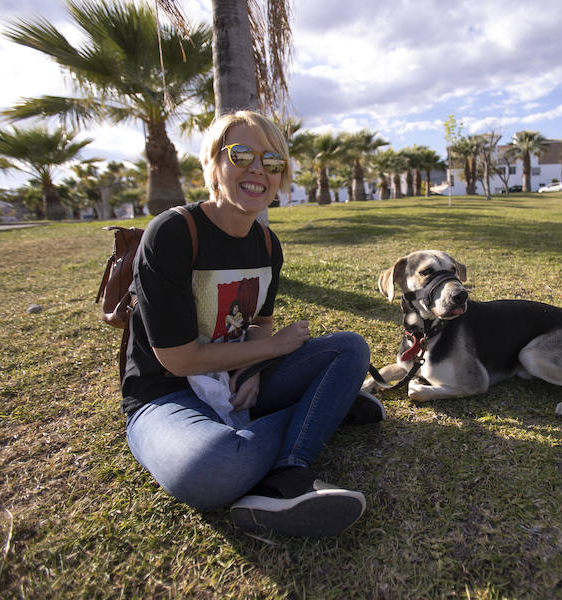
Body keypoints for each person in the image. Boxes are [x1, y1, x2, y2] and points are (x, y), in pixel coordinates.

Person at [121, 110, 384, 537]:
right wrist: (272, 349)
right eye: (241, 153)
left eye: (273, 161)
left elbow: (260, 323)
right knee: (210, 470)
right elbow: (179, 359)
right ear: (212, 164)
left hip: (236, 382)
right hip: (166, 395)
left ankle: (288, 473)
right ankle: (324, 409)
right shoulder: (173, 233)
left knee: (350, 347)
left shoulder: (266, 244)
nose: (258, 169)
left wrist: (252, 368)